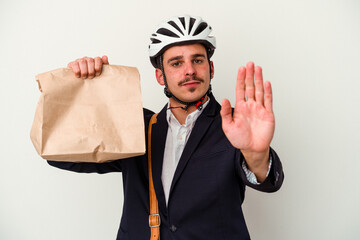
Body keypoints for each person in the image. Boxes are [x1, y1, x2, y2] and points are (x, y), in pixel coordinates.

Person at [48, 15, 284, 240]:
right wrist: (81, 86)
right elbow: (60, 154)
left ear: (211, 69)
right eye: (176, 63)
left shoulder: (234, 124)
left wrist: (256, 153)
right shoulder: (134, 126)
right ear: (160, 76)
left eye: (197, 60)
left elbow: (267, 179)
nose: (189, 70)